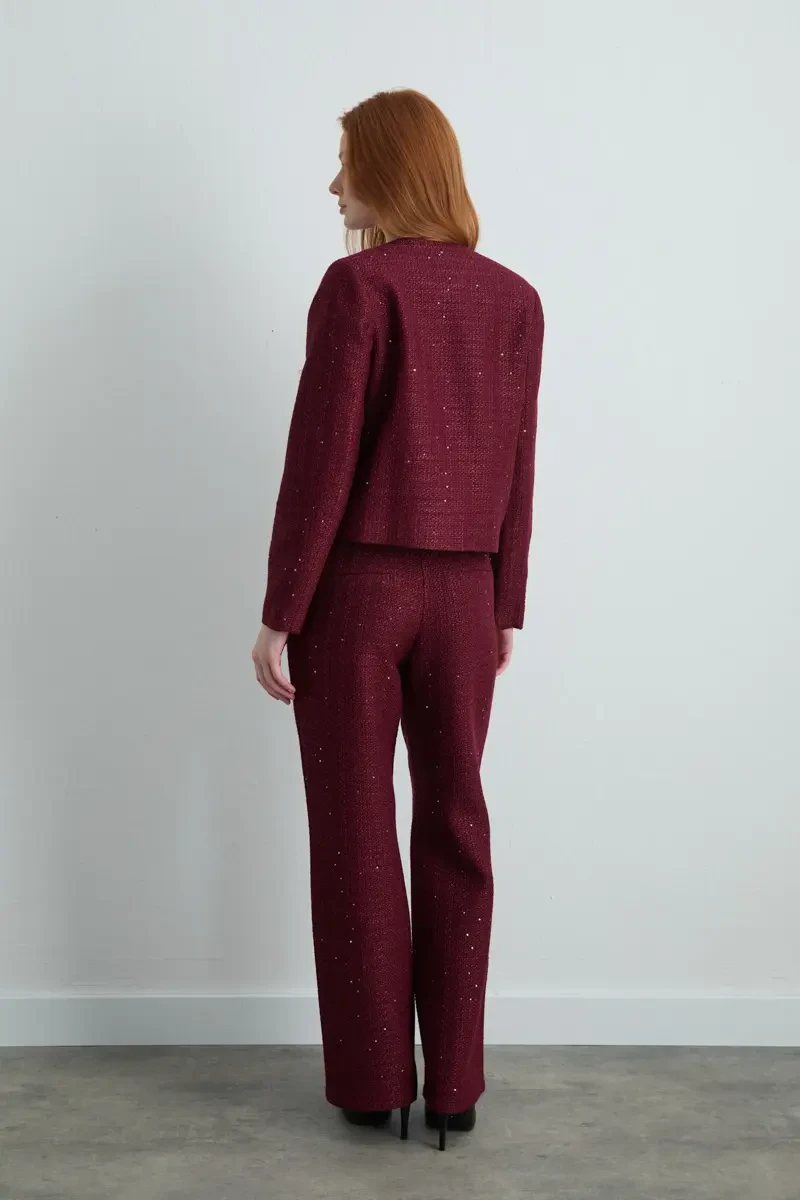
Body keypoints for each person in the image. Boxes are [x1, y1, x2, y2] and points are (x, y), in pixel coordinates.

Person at [252, 88, 544, 1151]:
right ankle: (454, 1086)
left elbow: (321, 458)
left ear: (389, 168)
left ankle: (375, 1082)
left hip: (358, 596)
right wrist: (504, 600)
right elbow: (518, 458)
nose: (334, 184)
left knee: (356, 831)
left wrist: (281, 610)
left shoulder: (357, 285)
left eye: (347, 162)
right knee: (457, 817)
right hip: (465, 594)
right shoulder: (514, 298)